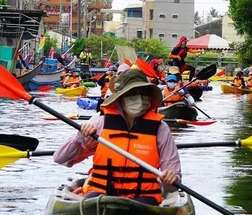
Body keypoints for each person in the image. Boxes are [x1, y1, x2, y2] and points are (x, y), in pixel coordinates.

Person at [53, 69, 180, 205]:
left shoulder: (161, 129)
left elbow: (173, 184)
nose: (139, 99)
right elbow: (60, 158)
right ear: (121, 98)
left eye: (144, 94)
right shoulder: (99, 123)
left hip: (143, 197)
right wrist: (80, 137)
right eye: (132, 94)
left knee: (144, 204)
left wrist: (169, 179)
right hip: (100, 194)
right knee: (95, 201)